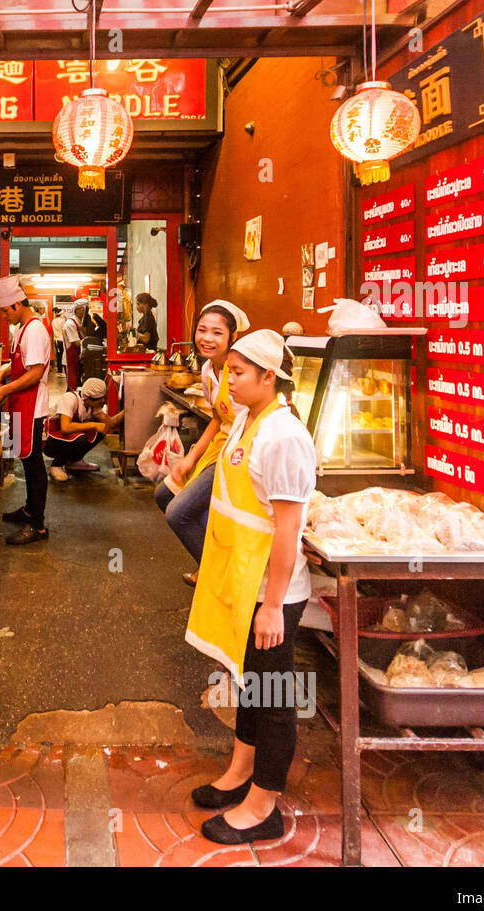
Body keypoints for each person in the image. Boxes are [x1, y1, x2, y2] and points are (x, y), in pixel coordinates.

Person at [184, 329, 316, 846]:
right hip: (245, 585)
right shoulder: (246, 419)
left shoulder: (283, 437)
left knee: (275, 692)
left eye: (238, 373)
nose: (229, 381)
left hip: (273, 593)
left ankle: (265, 805)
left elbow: (287, 529)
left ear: (269, 376)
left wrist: (274, 605)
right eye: (229, 371)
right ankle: (240, 772)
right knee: (250, 683)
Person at [154, 299, 250, 574]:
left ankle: (215, 574)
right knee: (164, 495)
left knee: (178, 512)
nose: (207, 338)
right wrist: (190, 457)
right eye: (202, 330)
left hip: (240, 455)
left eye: (217, 333)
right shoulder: (208, 370)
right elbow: (217, 419)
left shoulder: (241, 370)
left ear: (233, 337)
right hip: (217, 448)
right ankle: (212, 562)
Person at [0, 275, 51, 546]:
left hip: (32, 406)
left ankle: (37, 525)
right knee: (25, 459)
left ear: (16, 305)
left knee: (33, 465)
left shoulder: (34, 329)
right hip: (23, 404)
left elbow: (35, 372)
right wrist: (4, 371)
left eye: (4, 311)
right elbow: (21, 363)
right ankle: (29, 510)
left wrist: (2, 391)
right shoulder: (22, 328)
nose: (3, 316)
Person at [44, 377, 125, 481]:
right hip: (49, 441)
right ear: (89, 398)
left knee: (100, 431)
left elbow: (109, 423)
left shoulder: (92, 406)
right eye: (101, 399)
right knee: (81, 437)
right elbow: (65, 427)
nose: (103, 401)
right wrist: (93, 425)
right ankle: (56, 465)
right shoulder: (70, 399)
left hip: (64, 438)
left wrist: (126, 410)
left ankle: (73, 461)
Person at [60, 307, 84, 388]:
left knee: (78, 384)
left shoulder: (79, 322)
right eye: (83, 309)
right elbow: (77, 343)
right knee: (73, 386)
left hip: (77, 358)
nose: (85, 312)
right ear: (77, 310)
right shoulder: (70, 324)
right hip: (70, 359)